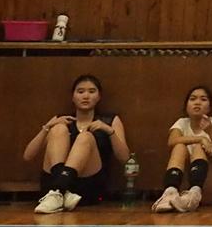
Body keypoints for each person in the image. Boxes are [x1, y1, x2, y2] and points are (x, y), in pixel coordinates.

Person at [22, 73, 131, 216]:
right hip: (51, 190)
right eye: (80, 92)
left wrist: (109, 131)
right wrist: (47, 128)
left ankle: (59, 189)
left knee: (85, 137)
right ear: (73, 97)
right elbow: (28, 155)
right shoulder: (61, 119)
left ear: (99, 97)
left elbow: (125, 158)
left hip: (86, 187)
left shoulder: (110, 120)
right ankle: (60, 191)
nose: (86, 96)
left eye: (91, 91)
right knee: (59, 129)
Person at [154, 84, 212, 213]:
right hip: (184, 188)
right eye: (193, 99)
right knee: (179, 146)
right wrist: (201, 139)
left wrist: (210, 132)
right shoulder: (181, 123)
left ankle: (195, 193)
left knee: (199, 148)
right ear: (186, 106)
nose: (197, 102)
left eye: (203, 99)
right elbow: (172, 141)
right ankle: (170, 192)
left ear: (209, 107)